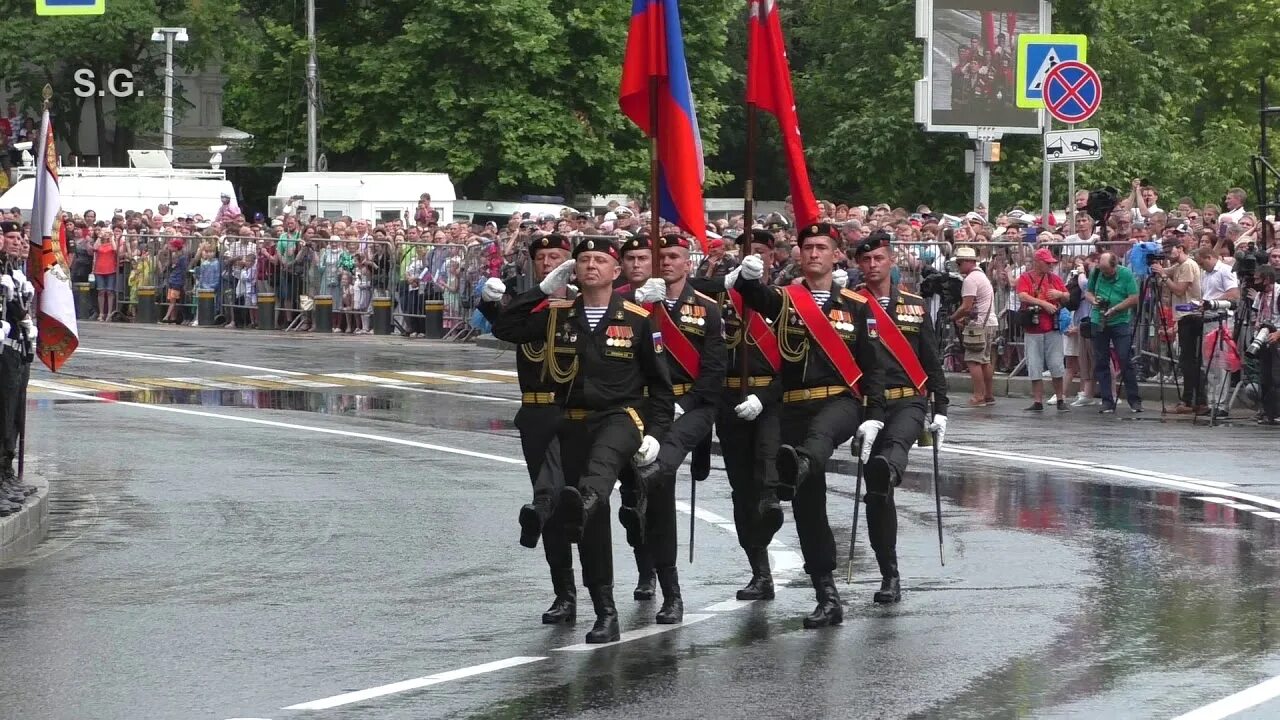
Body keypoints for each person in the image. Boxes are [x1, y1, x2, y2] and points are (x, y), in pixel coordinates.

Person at [488, 236, 674, 644]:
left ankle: (588, 502)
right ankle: (605, 611)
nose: (591, 266)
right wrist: (538, 290)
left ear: (616, 271)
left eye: (600, 260)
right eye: (584, 260)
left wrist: (657, 436)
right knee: (586, 518)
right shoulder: (558, 316)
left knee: (598, 479)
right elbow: (505, 327)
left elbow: (662, 389)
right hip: (571, 421)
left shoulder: (638, 318)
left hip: (619, 417)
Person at [735, 222, 886, 629]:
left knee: (816, 443)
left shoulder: (856, 305)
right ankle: (827, 596)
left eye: (822, 247)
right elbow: (754, 295)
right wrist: (748, 276)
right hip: (794, 407)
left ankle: (799, 465)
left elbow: (873, 367)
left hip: (839, 401)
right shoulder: (786, 300)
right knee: (808, 509)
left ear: (837, 254)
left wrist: (874, 416)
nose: (814, 253)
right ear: (799, 255)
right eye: (807, 248)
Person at [619, 233, 725, 625]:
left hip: (690, 404)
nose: (665, 262)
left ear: (687, 262)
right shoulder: (632, 304)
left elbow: (714, 371)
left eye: (674, 256)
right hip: (644, 404)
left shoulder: (708, 309)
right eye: (659, 256)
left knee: (657, 479)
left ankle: (672, 591)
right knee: (633, 494)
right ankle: (644, 567)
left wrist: (684, 405)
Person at [480, 234, 578, 626]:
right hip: (537, 415)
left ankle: (637, 574)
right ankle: (564, 594)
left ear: (570, 262)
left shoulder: (586, 305)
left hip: (577, 413)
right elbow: (503, 325)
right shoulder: (529, 304)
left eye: (556, 257)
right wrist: (532, 292)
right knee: (553, 512)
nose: (548, 262)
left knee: (576, 503)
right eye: (542, 258)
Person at [848, 231, 948, 603]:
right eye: (866, 260)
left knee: (896, 445)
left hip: (908, 398)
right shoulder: (851, 304)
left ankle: (888, 468)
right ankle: (889, 572)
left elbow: (930, 357)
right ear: (859, 264)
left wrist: (942, 407)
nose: (872, 266)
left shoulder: (913, 304)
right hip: (868, 405)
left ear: (891, 262)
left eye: (878, 259)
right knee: (878, 499)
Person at [687, 228, 784, 601]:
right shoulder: (721, 294)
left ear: (773, 258)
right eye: (748, 254)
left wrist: (765, 395)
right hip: (729, 397)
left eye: (762, 253)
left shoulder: (786, 298)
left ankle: (771, 507)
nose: (755, 259)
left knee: (767, 472)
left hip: (772, 398)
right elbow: (685, 288)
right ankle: (760, 572)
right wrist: (726, 281)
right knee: (741, 488)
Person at [1, 220, 36, 515]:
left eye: (17, 237)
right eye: (9, 237)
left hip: (14, 347)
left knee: (12, 414)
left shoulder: (11, 269)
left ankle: (5, 474)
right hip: (5, 347)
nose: (16, 242)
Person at [1152, 240, 1204, 414]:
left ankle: (1190, 399)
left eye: (1169, 249)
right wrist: (1157, 267)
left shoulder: (1188, 265)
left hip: (1190, 315)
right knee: (1187, 360)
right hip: (1183, 316)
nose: (1167, 253)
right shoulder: (1179, 265)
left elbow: (1180, 290)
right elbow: (1167, 271)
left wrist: (1163, 276)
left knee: (1188, 361)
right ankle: (1192, 398)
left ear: (1180, 249)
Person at [1086, 253, 1142, 413]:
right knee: (1101, 361)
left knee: (1125, 358)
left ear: (1115, 266)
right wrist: (1094, 301)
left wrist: (1115, 309)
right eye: (1102, 271)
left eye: (1107, 271)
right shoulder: (1096, 272)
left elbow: (1134, 298)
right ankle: (1107, 400)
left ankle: (1134, 399)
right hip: (1099, 320)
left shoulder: (1125, 274)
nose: (1104, 274)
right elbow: (1088, 293)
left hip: (1120, 320)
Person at [1017, 247, 1070, 411]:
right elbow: (1022, 295)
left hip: (1052, 327)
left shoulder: (1054, 279)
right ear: (1038, 262)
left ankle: (1061, 398)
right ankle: (1038, 401)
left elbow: (1067, 296)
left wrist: (1059, 295)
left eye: (1051, 263)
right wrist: (1043, 303)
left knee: (1056, 364)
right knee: (1034, 365)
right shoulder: (1025, 277)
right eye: (1047, 263)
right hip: (1033, 329)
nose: (1051, 266)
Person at [950, 246, 998, 406]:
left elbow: (966, 306)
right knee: (985, 360)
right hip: (989, 321)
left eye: (959, 263)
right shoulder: (981, 276)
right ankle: (988, 394)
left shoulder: (970, 280)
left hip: (979, 324)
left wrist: (954, 317)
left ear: (967, 262)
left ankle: (979, 395)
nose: (958, 266)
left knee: (973, 360)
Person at [1197, 246, 1241, 417]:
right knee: (1209, 363)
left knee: (1221, 363)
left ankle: (1221, 403)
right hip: (1207, 319)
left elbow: (1233, 294)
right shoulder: (1205, 274)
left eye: (1202, 263)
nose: (1201, 267)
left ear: (1209, 257)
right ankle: (1211, 401)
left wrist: (1212, 302)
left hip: (1221, 319)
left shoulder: (1225, 271)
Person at [1251, 265, 1280, 425]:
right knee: (1265, 378)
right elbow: (1255, 316)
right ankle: (1269, 412)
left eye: (1257, 279)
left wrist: (1277, 334)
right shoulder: (1260, 296)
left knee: (1277, 378)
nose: (1255, 282)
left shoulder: (1279, 293)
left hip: (1277, 339)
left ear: (1267, 279)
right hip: (1264, 340)